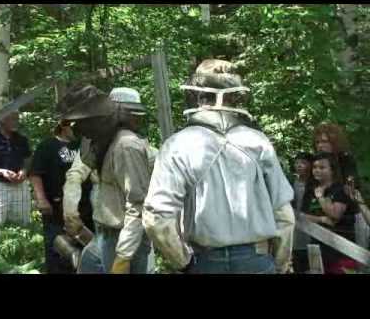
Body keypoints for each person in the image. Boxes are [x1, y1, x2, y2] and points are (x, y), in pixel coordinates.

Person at [142, 59, 295, 274]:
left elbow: (156, 216)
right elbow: (284, 215)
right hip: (256, 260)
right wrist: (280, 264)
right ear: (234, 97)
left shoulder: (177, 145)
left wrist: (182, 262)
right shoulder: (258, 141)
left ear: (197, 96)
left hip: (205, 261)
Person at [62, 87, 158, 274]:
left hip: (125, 234)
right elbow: (75, 175)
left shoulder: (127, 146)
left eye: (86, 123)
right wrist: (70, 212)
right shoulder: (107, 144)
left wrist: (124, 255)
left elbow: (138, 203)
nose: (81, 130)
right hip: (109, 231)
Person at [29, 119, 92, 274]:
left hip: (85, 210)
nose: (79, 131)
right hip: (55, 210)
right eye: (75, 128)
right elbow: (35, 174)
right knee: (58, 254)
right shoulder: (47, 146)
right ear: (64, 126)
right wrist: (41, 199)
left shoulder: (84, 146)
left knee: (86, 254)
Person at [300, 152, 359, 274]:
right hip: (317, 247)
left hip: (343, 249)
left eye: (322, 167)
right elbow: (302, 216)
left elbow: (335, 215)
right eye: (315, 167)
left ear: (332, 170)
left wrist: (320, 197)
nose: (317, 170)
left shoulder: (341, 189)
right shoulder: (310, 190)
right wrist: (321, 219)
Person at [313, 123, 369, 249]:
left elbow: (350, 187)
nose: (320, 145)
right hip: (325, 216)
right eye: (317, 142)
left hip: (350, 216)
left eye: (324, 141)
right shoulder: (317, 160)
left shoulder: (345, 159)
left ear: (334, 142)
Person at [291, 152, 314, 273]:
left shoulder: (315, 185)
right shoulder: (290, 182)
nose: (299, 165)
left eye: (303, 163)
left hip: (311, 230)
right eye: (297, 162)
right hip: (294, 229)